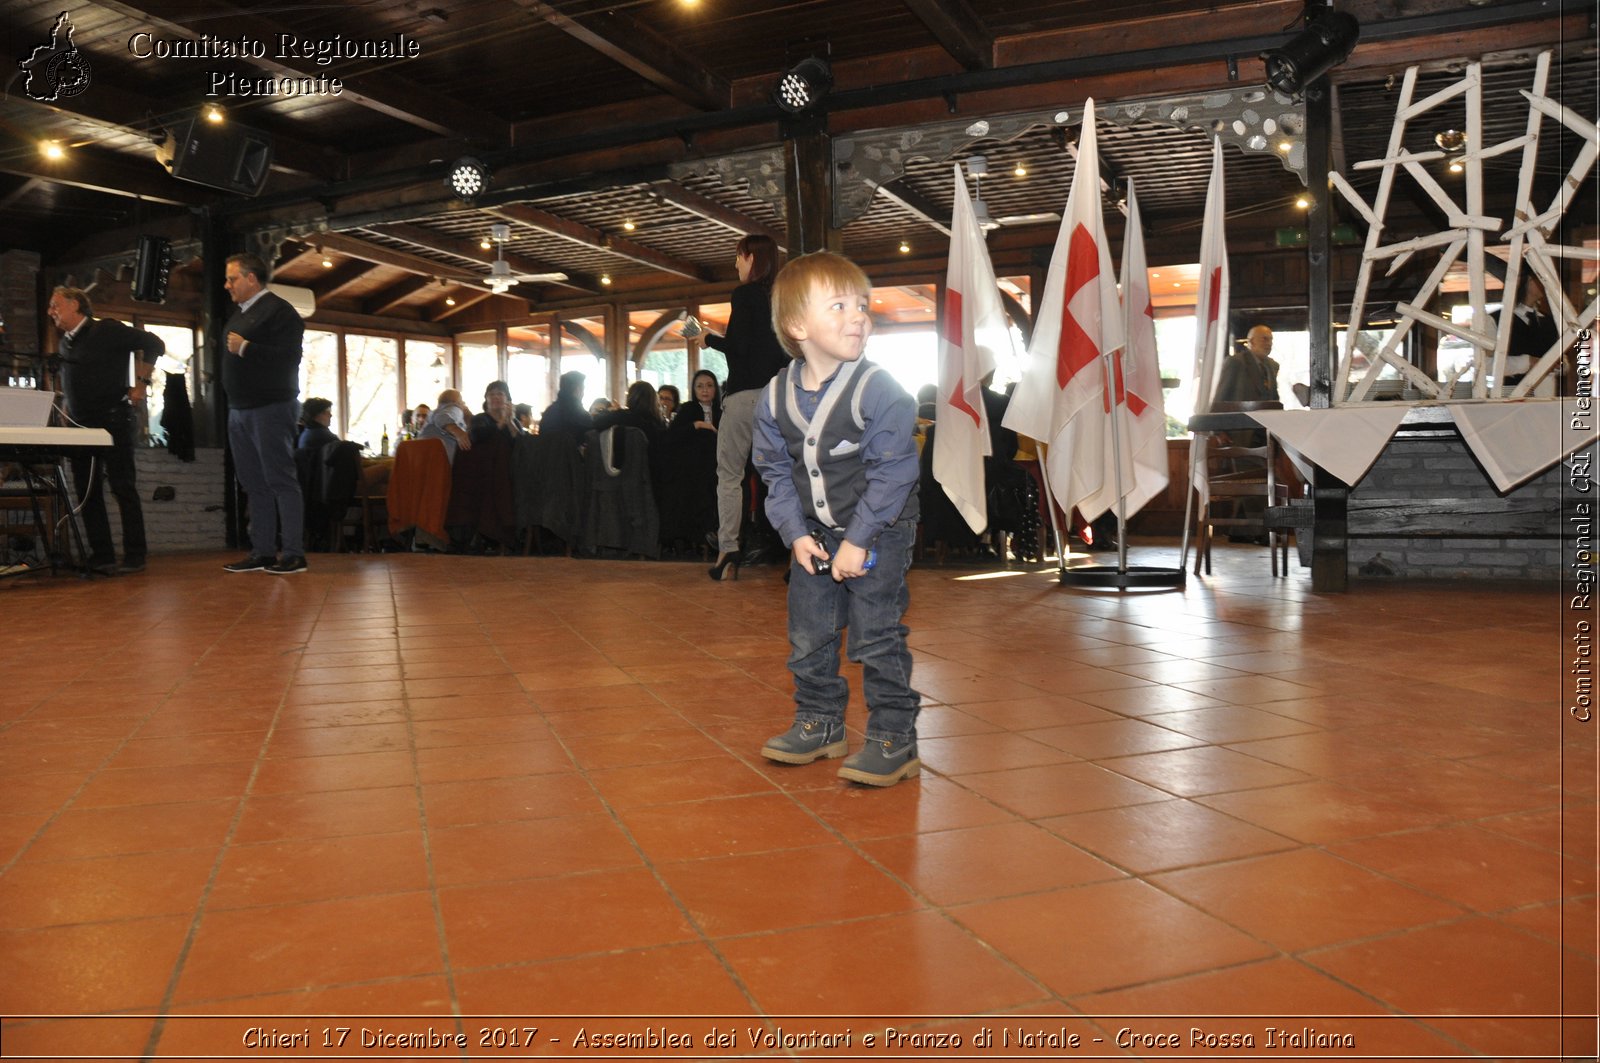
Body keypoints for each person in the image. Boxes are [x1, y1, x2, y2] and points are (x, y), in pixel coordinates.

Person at [751, 251, 922, 788]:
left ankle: (894, 735)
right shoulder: (773, 397)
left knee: (874, 632)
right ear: (798, 325)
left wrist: (860, 540)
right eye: (840, 305)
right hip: (815, 533)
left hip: (881, 526)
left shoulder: (881, 390)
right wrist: (794, 534)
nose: (859, 316)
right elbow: (773, 472)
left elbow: (894, 473)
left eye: (863, 305)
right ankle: (821, 723)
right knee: (809, 631)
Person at [46, 286, 164, 576]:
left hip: (113, 420)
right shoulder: (65, 345)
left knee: (123, 487)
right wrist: (66, 412)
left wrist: (141, 383)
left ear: (75, 304)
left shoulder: (107, 330)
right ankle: (103, 556)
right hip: (79, 426)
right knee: (88, 492)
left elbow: (155, 343)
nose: (51, 311)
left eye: (55, 305)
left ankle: (136, 556)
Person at [702, 233, 788, 580]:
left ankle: (728, 551)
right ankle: (797, 553)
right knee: (783, 477)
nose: (735, 263)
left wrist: (707, 339)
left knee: (730, 476)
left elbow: (740, 347)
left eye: (738, 257)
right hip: (778, 398)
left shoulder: (744, 294)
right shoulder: (781, 297)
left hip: (743, 397)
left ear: (752, 258)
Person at [220, 253, 308, 575]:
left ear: (251, 279)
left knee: (280, 479)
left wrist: (246, 348)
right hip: (239, 410)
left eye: (232, 279)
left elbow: (290, 358)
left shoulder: (279, 312)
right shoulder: (240, 313)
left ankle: (294, 554)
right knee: (253, 483)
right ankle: (264, 552)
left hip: (271, 407)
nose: (227, 285)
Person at [664, 369, 721, 550]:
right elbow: (671, 437)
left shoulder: (722, 410)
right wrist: (697, 425)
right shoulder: (688, 409)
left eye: (709, 386)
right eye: (700, 386)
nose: (705, 390)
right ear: (694, 389)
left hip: (718, 464)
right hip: (691, 467)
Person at [1504, 273, 1560, 394]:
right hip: (1512, 397)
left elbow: (1562, 362)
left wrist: (1559, 364)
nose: (1544, 282)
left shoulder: (1549, 321)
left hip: (1546, 397)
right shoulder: (1498, 320)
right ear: (1527, 281)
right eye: (1539, 278)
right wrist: (1527, 362)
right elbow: (1487, 365)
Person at [418, 388, 472, 462]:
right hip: (441, 461)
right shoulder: (453, 407)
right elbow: (442, 417)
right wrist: (458, 433)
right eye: (462, 401)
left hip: (423, 459)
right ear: (457, 402)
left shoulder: (433, 413)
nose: (464, 403)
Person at [540, 371, 592, 442]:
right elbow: (592, 426)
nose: (583, 394)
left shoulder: (549, 411)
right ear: (578, 389)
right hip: (570, 452)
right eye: (583, 389)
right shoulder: (578, 413)